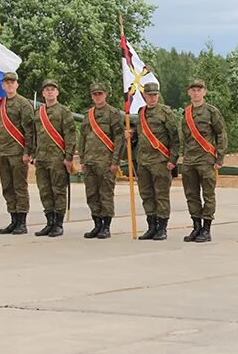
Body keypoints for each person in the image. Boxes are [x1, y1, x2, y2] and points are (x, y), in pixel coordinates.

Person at [180, 78, 228, 243]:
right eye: (193, 90)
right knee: (191, 195)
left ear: (204, 92)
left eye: (199, 89)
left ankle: (206, 229)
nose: (196, 92)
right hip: (189, 160)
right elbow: (184, 137)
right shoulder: (186, 113)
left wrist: (219, 158)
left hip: (206, 159)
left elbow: (221, 134)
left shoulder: (211, 112)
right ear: (189, 92)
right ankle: (196, 227)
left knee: (208, 194)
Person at [78, 82, 125, 239]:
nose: (97, 96)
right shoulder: (88, 115)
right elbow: (83, 138)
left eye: (100, 93)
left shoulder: (113, 114)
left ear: (105, 94)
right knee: (91, 194)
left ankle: (106, 226)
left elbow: (119, 139)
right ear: (92, 96)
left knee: (105, 194)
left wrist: (115, 161)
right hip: (90, 162)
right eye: (95, 94)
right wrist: (83, 160)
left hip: (106, 162)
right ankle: (97, 224)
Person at [135, 82, 180, 241]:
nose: (152, 98)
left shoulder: (165, 112)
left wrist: (172, 159)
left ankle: (162, 228)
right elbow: (138, 136)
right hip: (144, 162)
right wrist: (129, 134)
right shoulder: (141, 113)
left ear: (158, 95)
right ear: (144, 95)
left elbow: (175, 138)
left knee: (161, 195)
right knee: (146, 195)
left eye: (155, 95)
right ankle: (151, 226)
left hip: (161, 161)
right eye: (149, 95)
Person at [0, 72, 36, 235]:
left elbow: (29, 131)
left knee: (19, 187)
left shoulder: (23, 104)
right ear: (2, 86)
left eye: (12, 82)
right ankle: (13, 219)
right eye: (6, 83)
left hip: (18, 153)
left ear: (17, 85)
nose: (9, 85)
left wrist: (27, 152)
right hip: (3, 152)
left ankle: (22, 222)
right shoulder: (1, 104)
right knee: (7, 188)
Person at [33, 79, 76, 238]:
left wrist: (69, 157)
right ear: (43, 93)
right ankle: (49, 222)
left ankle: (58, 224)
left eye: (53, 89)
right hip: (41, 158)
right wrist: (33, 155)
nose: (50, 92)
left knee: (58, 191)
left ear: (57, 92)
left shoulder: (64, 112)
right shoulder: (38, 113)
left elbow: (70, 135)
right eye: (47, 89)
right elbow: (34, 135)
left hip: (57, 159)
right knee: (45, 191)